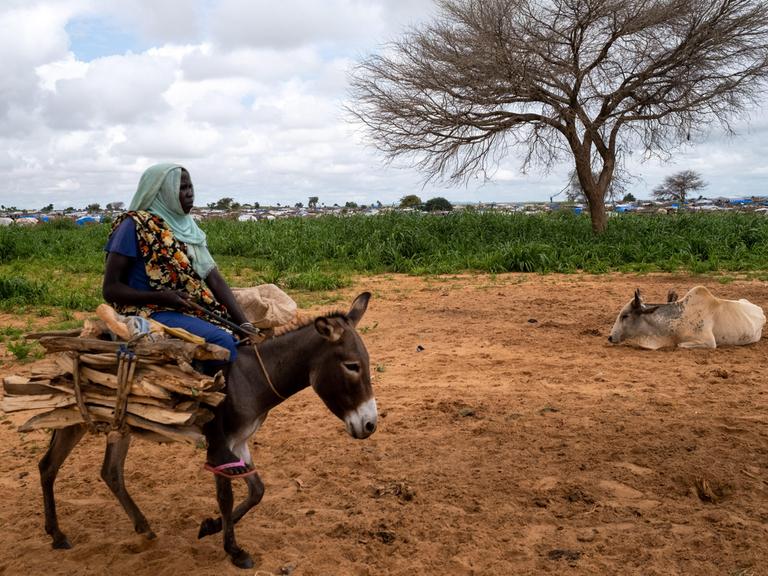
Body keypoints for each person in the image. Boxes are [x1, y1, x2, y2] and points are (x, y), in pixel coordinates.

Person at [103, 162, 254, 475]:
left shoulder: (187, 227)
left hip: (182, 307)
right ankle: (215, 443)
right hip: (150, 311)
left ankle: (225, 414)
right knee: (221, 341)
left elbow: (214, 278)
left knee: (237, 335)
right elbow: (110, 289)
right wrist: (161, 297)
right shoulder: (133, 226)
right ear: (161, 192)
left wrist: (244, 322)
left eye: (190, 186)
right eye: (181, 188)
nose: (189, 193)